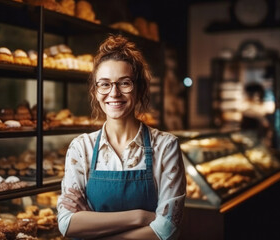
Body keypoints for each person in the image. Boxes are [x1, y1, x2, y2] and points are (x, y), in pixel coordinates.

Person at [56, 34, 186, 240]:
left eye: (124, 83)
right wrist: (141, 217)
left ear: (140, 87)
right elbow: (67, 224)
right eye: (105, 84)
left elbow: (167, 228)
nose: (114, 93)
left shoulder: (165, 146)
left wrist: (91, 221)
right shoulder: (81, 148)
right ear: (95, 91)